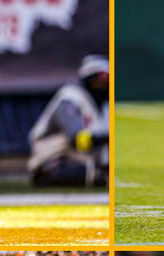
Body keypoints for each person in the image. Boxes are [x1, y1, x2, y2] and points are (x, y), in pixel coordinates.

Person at [27, 54, 110, 187]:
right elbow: (78, 140)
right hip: (53, 160)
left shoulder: (105, 106)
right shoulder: (70, 98)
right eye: (98, 82)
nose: (102, 86)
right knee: (98, 177)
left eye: (106, 83)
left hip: (86, 161)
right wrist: (109, 137)